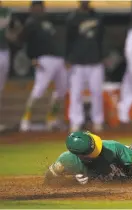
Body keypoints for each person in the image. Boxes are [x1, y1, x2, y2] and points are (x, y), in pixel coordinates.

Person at [44, 131, 132, 187]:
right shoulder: (67, 160)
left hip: (124, 171)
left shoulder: (111, 147)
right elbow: (50, 176)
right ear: (79, 155)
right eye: (92, 150)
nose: (98, 148)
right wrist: (72, 181)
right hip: (100, 178)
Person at [18, 1, 67, 131]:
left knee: (61, 89)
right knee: (39, 90)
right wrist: (32, 57)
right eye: (37, 7)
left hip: (58, 58)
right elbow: (24, 41)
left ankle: (51, 118)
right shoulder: (30, 23)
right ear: (32, 9)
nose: (40, 10)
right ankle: (26, 118)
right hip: (43, 58)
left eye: (41, 7)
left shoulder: (47, 22)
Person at [66, 1, 105, 132]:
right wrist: (68, 58)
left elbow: (102, 39)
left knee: (97, 93)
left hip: (95, 61)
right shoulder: (72, 18)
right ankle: (76, 121)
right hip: (78, 62)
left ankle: (97, 121)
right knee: (76, 93)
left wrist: (103, 55)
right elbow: (68, 40)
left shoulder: (98, 17)